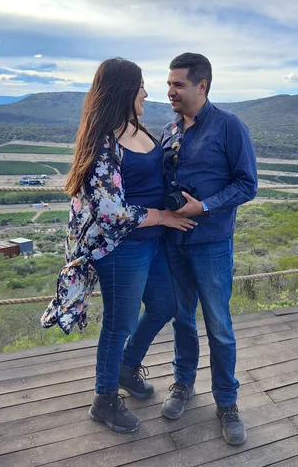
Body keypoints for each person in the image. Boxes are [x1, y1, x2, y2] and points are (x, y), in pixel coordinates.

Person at [42, 58, 196, 434]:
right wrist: (162, 216)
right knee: (119, 323)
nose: (146, 93)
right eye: (141, 86)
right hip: (120, 248)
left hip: (152, 242)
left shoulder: (137, 128)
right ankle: (104, 399)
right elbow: (109, 211)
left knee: (165, 304)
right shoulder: (101, 142)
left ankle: (128, 367)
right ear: (124, 92)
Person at [160, 52, 257, 445]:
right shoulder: (169, 131)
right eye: (168, 84)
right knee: (182, 318)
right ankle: (183, 384)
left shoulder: (229, 127)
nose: (170, 92)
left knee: (218, 325)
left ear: (202, 85)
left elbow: (247, 184)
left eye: (178, 84)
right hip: (173, 242)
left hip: (211, 243)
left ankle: (227, 402)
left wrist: (204, 206)